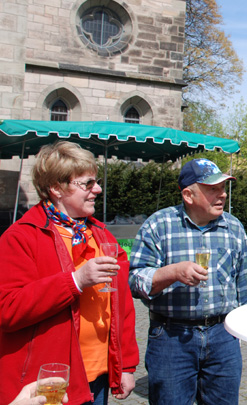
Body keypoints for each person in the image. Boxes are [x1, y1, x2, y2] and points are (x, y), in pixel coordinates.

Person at [0, 141, 139, 405]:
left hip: (98, 376)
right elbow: (8, 309)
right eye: (87, 184)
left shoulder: (101, 235)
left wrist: (127, 365)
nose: (97, 190)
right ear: (56, 188)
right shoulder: (21, 237)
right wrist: (75, 280)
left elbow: (123, 307)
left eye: (96, 182)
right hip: (51, 382)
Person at [129, 158, 247, 405]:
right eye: (212, 189)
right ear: (188, 195)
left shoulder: (233, 227)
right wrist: (171, 272)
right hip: (172, 338)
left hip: (223, 336)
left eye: (223, 188)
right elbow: (135, 281)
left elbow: (246, 285)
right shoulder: (159, 225)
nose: (222, 195)